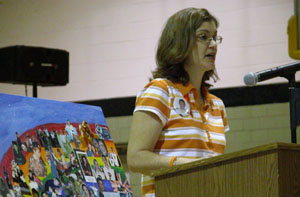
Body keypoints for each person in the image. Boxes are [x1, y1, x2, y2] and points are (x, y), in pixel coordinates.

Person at [127, 8, 229, 196]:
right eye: (204, 37)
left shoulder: (217, 105)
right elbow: (135, 158)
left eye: (215, 37)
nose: (213, 44)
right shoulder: (160, 91)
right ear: (180, 43)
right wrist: (182, 165)